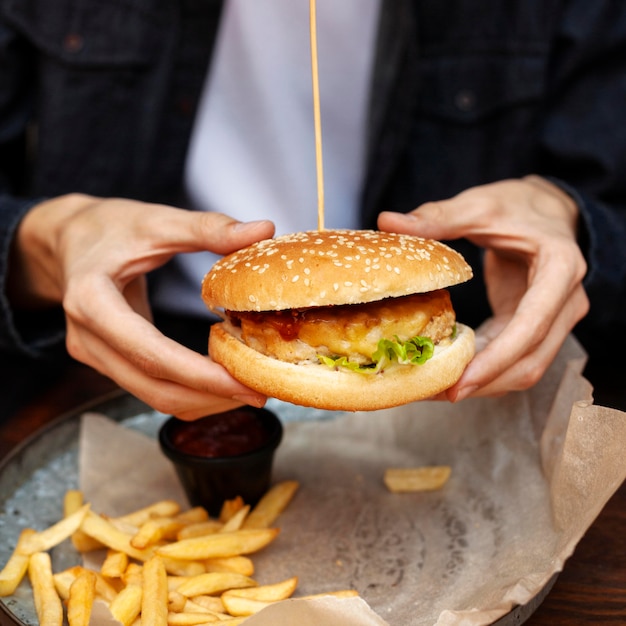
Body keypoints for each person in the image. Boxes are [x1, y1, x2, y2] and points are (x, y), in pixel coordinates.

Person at [0, 1, 624, 421]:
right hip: (106, 375)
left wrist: (566, 212)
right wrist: (45, 245)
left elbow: (612, 211)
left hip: (479, 403)